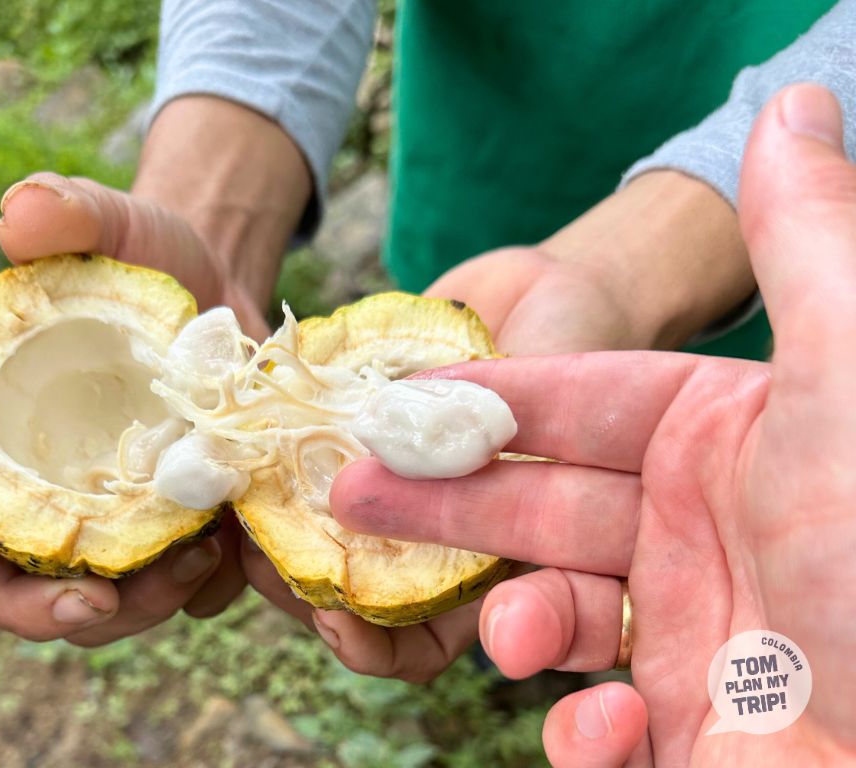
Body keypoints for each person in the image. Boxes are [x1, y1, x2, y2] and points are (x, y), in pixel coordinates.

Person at [0, 1, 856, 675]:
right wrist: (208, 220)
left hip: (807, 319)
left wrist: (631, 267)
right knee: (550, 601)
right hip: (481, 199)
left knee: (725, 556)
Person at [328, 84, 856, 766]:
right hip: (474, 172)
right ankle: (513, 654)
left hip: (715, 385)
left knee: (552, 581)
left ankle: (530, 646)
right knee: (525, 595)